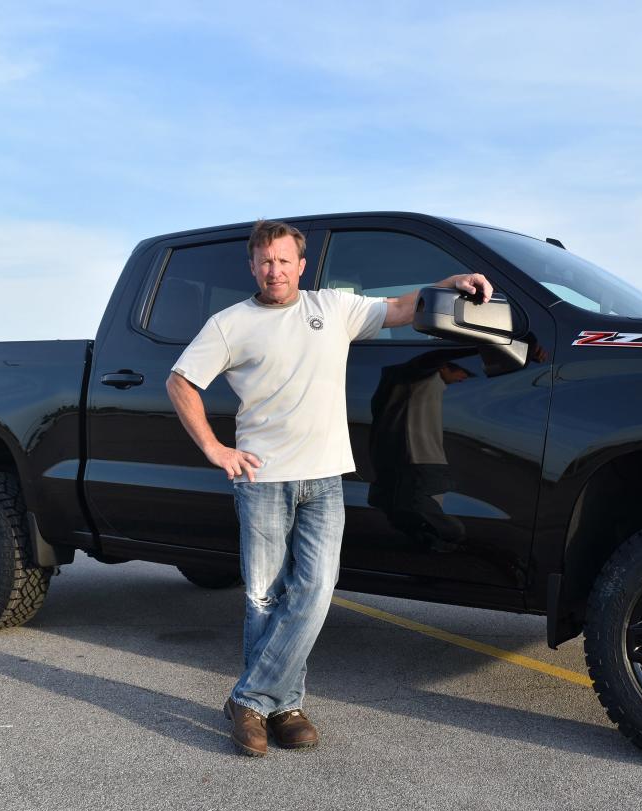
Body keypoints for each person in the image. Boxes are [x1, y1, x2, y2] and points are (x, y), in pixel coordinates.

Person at [165, 219, 492, 757]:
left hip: (323, 479)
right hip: (263, 479)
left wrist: (451, 283)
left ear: (301, 264)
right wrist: (215, 449)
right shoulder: (230, 324)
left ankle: (249, 700)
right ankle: (284, 708)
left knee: (314, 592)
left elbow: (401, 307)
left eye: (285, 260)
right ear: (253, 266)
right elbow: (181, 382)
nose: (275, 270)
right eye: (266, 261)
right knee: (262, 598)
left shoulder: (333, 308)